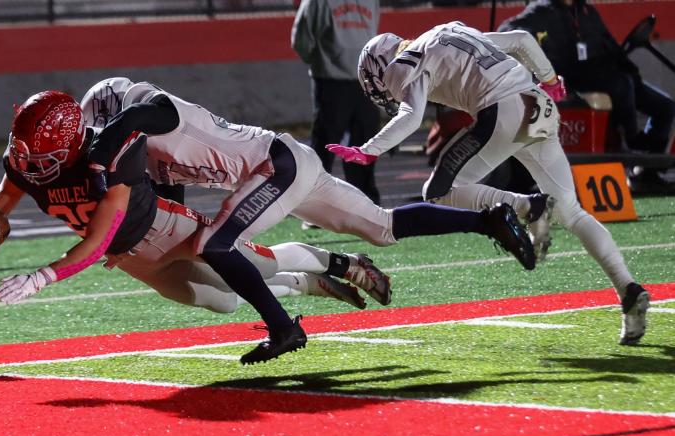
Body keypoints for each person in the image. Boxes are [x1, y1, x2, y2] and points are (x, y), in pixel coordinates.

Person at [84, 78, 538, 364]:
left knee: (216, 246)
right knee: (382, 226)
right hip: (286, 164)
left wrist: (101, 153)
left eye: (101, 130)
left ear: (110, 115)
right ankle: (489, 220)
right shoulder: (143, 142)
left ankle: (283, 328)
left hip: (273, 166)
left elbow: (138, 116)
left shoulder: (148, 108)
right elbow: (166, 202)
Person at [0, 91, 392, 349]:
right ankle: (304, 285)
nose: (28, 163)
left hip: (164, 230)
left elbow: (99, 238)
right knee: (222, 302)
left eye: (39, 154)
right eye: (23, 151)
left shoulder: (108, 153)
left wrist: (43, 276)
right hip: (129, 256)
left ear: (67, 145)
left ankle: (338, 262)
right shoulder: (27, 160)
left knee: (259, 266)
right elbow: (1, 202)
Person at [326, 22, 650, 345]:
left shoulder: (405, 60)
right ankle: (628, 289)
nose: (381, 89)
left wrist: (369, 151)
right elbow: (522, 39)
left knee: (437, 193)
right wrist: (549, 79)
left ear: (381, 64)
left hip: (503, 108)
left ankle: (529, 206)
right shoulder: (449, 32)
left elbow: (411, 115)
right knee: (571, 212)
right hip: (539, 103)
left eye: (375, 80)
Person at [499, 0, 675, 155]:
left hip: (603, 74)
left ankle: (648, 170)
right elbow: (508, 28)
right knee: (621, 84)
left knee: (665, 107)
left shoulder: (587, 12)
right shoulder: (541, 11)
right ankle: (630, 139)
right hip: (573, 77)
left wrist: (627, 66)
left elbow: (611, 45)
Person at [291, 0, 382, 210]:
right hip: (331, 80)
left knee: (365, 144)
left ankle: (364, 205)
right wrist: (323, 63)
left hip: (363, 80)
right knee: (325, 145)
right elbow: (301, 39)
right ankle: (315, 207)